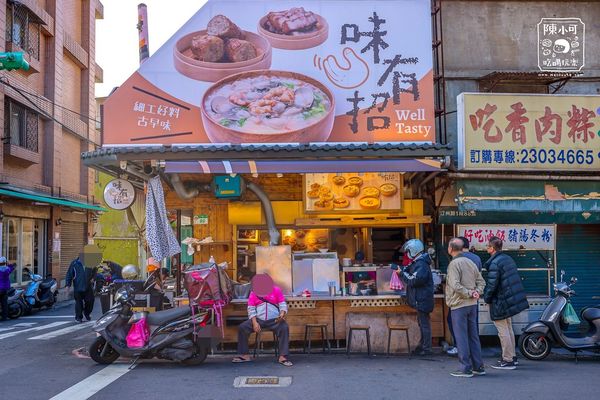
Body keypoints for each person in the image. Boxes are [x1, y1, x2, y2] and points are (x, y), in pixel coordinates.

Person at [484, 236, 529, 370]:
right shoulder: (507, 258)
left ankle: (508, 360)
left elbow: (492, 285)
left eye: (488, 246)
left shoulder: (495, 263)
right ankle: (512, 357)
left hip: (501, 300)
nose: (486, 248)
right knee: (508, 328)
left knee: (503, 330)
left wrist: (486, 298)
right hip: (508, 299)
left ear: (492, 248)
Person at [445, 237, 486, 378]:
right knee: (473, 336)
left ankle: (465, 368)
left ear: (450, 249)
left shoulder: (454, 264)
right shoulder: (470, 262)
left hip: (459, 305)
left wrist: (469, 293)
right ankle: (478, 367)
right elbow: (481, 282)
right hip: (472, 305)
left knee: (461, 336)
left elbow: (455, 285)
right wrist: (476, 292)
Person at [233, 273, 292, 366]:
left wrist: (282, 314)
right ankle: (245, 355)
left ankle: (283, 356)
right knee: (242, 327)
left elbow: (282, 304)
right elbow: (251, 308)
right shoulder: (254, 293)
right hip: (259, 320)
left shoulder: (276, 290)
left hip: (274, 320)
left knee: (284, 327)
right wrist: (255, 323)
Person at [396, 239, 434, 356]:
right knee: (422, 324)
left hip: (422, 299)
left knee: (424, 325)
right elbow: (410, 272)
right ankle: (422, 346)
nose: (407, 254)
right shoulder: (418, 262)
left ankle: (426, 349)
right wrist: (402, 270)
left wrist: (401, 274)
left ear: (413, 250)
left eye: (408, 251)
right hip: (420, 299)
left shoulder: (421, 264)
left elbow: (414, 280)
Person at [66, 245, 101, 323]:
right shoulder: (74, 263)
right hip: (78, 286)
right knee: (78, 303)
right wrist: (68, 285)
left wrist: (93, 278)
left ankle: (87, 313)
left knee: (90, 301)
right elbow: (69, 274)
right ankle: (78, 317)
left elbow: (95, 271)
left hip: (88, 286)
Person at [0, 257, 15, 321]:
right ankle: (4, 317)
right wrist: (9, 263)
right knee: (4, 303)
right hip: (5, 288)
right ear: (5, 262)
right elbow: (12, 268)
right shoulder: (7, 269)